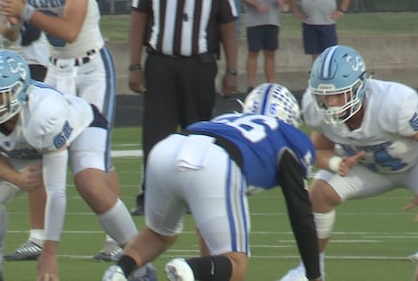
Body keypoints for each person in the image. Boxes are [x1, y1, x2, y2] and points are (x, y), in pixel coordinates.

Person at [0, 50, 155, 281]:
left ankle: (141, 266)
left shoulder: (45, 113)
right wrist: (17, 179)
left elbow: (56, 191)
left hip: (81, 126)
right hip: (31, 143)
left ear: (18, 91)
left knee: (90, 186)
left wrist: (49, 253)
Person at [0, 0, 123, 262]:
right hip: (56, 69)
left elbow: (68, 31)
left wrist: (25, 11)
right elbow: (11, 35)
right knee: (42, 145)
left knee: (96, 157)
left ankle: (115, 238)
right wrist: (9, 19)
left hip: (91, 68)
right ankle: (37, 237)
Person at [102, 83, 321, 281]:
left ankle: (119, 272)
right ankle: (187, 269)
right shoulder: (290, 137)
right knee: (236, 265)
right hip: (216, 161)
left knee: (158, 234)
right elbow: (300, 211)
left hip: (167, 149)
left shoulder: (227, 120)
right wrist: (314, 275)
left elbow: (205, 217)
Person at [278, 44, 418, 281]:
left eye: (338, 94)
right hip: (367, 167)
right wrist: (336, 164)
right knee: (319, 193)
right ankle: (311, 271)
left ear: (359, 87)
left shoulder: (395, 103)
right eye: (325, 96)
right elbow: (318, 149)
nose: (332, 103)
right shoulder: (317, 109)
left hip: (417, 162)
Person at [128, 0, 238, 216]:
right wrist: (135, 64)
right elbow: (139, 17)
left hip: (199, 66)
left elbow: (228, 24)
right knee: (156, 134)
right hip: (161, 63)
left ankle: (195, 194)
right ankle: (150, 195)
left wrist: (231, 71)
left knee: (198, 131)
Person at [238, 0, 291, 93]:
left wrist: (282, 1)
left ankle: (271, 85)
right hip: (254, 21)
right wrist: (256, 4)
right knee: (253, 52)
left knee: (270, 52)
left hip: (272, 20)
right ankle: (250, 86)